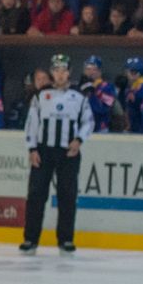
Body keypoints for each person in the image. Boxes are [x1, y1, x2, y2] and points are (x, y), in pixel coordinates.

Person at [20, 53, 92, 254]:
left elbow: (89, 121)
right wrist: (32, 149)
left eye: (64, 70)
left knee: (67, 196)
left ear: (69, 72)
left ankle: (66, 239)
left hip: (68, 153)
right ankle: (30, 238)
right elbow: (32, 123)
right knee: (36, 195)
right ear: (52, 73)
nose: (60, 74)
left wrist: (79, 140)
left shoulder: (79, 96)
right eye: (56, 70)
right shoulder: (41, 95)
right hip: (44, 151)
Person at [76, 55, 118, 133]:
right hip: (82, 126)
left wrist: (93, 93)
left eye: (94, 69)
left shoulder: (107, 87)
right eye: (88, 69)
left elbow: (104, 108)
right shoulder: (80, 86)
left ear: (99, 71)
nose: (90, 72)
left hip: (100, 127)